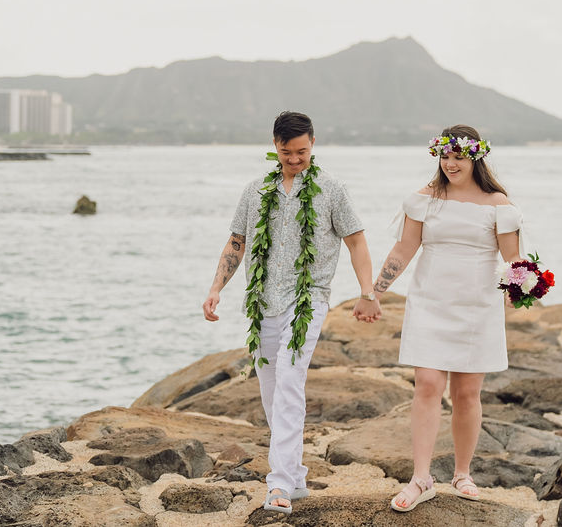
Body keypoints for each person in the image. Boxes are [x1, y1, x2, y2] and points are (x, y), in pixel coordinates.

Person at [202, 111, 377, 515]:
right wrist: (215, 288)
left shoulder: (332, 189)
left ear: (312, 143)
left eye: (301, 151)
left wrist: (368, 292)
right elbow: (236, 242)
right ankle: (295, 475)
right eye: (286, 152)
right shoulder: (256, 189)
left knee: (289, 383)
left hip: (307, 300)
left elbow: (356, 242)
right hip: (262, 300)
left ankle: (278, 484)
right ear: (274, 146)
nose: (294, 159)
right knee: (270, 388)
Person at [373, 124, 522, 512]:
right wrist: (374, 292)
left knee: (466, 394)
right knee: (426, 384)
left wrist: (521, 289)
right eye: (445, 156)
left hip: (476, 307)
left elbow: (513, 260)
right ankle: (421, 478)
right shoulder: (425, 199)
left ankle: (462, 473)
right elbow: (404, 249)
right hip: (430, 302)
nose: (451, 163)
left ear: (476, 156)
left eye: (459, 156)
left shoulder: (498, 204)